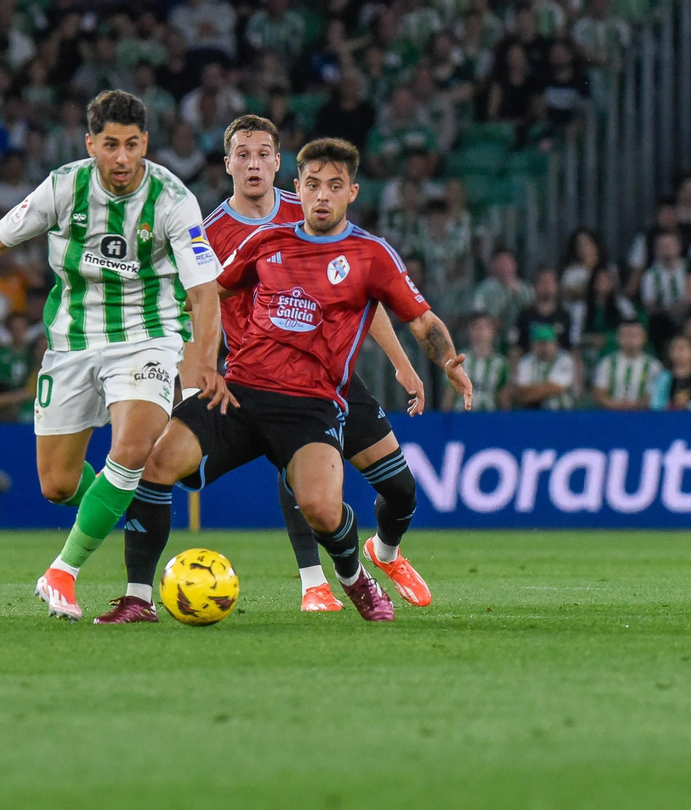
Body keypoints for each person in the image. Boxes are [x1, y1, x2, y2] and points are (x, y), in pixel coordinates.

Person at [0, 91, 232, 621]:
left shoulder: (172, 198)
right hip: (72, 342)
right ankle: (116, 498)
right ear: (90, 143)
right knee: (59, 485)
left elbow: (205, 292)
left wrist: (204, 360)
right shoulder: (63, 186)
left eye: (132, 145)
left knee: (134, 446)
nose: (122, 158)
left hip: (149, 336)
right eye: (110, 145)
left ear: (146, 144)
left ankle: (61, 572)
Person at [109, 138, 473, 624]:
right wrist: (187, 354)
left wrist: (446, 360)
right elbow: (209, 292)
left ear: (352, 193)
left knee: (325, 509)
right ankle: (137, 599)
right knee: (152, 465)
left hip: (312, 404)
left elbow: (422, 321)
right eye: (314, 185)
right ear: (297, 188)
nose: (323, 196)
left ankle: (355, 577)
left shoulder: (371, 255)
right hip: (240, 391)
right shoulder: (264, 242)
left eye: (335, 186)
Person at [178, 114, 432, 615]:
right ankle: (313, 582)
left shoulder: (313, 209)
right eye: (242, 155)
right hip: (259, 376)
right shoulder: (208, 234)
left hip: (330, 375)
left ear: (279, 164)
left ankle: (384, 553)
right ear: (227, 163)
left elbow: (368, 288)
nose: (253, 164)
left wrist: (402, 364)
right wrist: (193, 386)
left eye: (262, 154)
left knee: (400, 488)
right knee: (294, 465)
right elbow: (195, 309)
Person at [592, 321, 661, 410]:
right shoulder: (606, 363)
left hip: (643, 416)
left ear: (643, 338)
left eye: (634, 335)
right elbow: (599, 393)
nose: (630, 339)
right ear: (618, 338)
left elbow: (656, 396)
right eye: (626, 335)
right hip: (611, 415)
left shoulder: (654, 366)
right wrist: (616, 405)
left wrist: (636, 405)